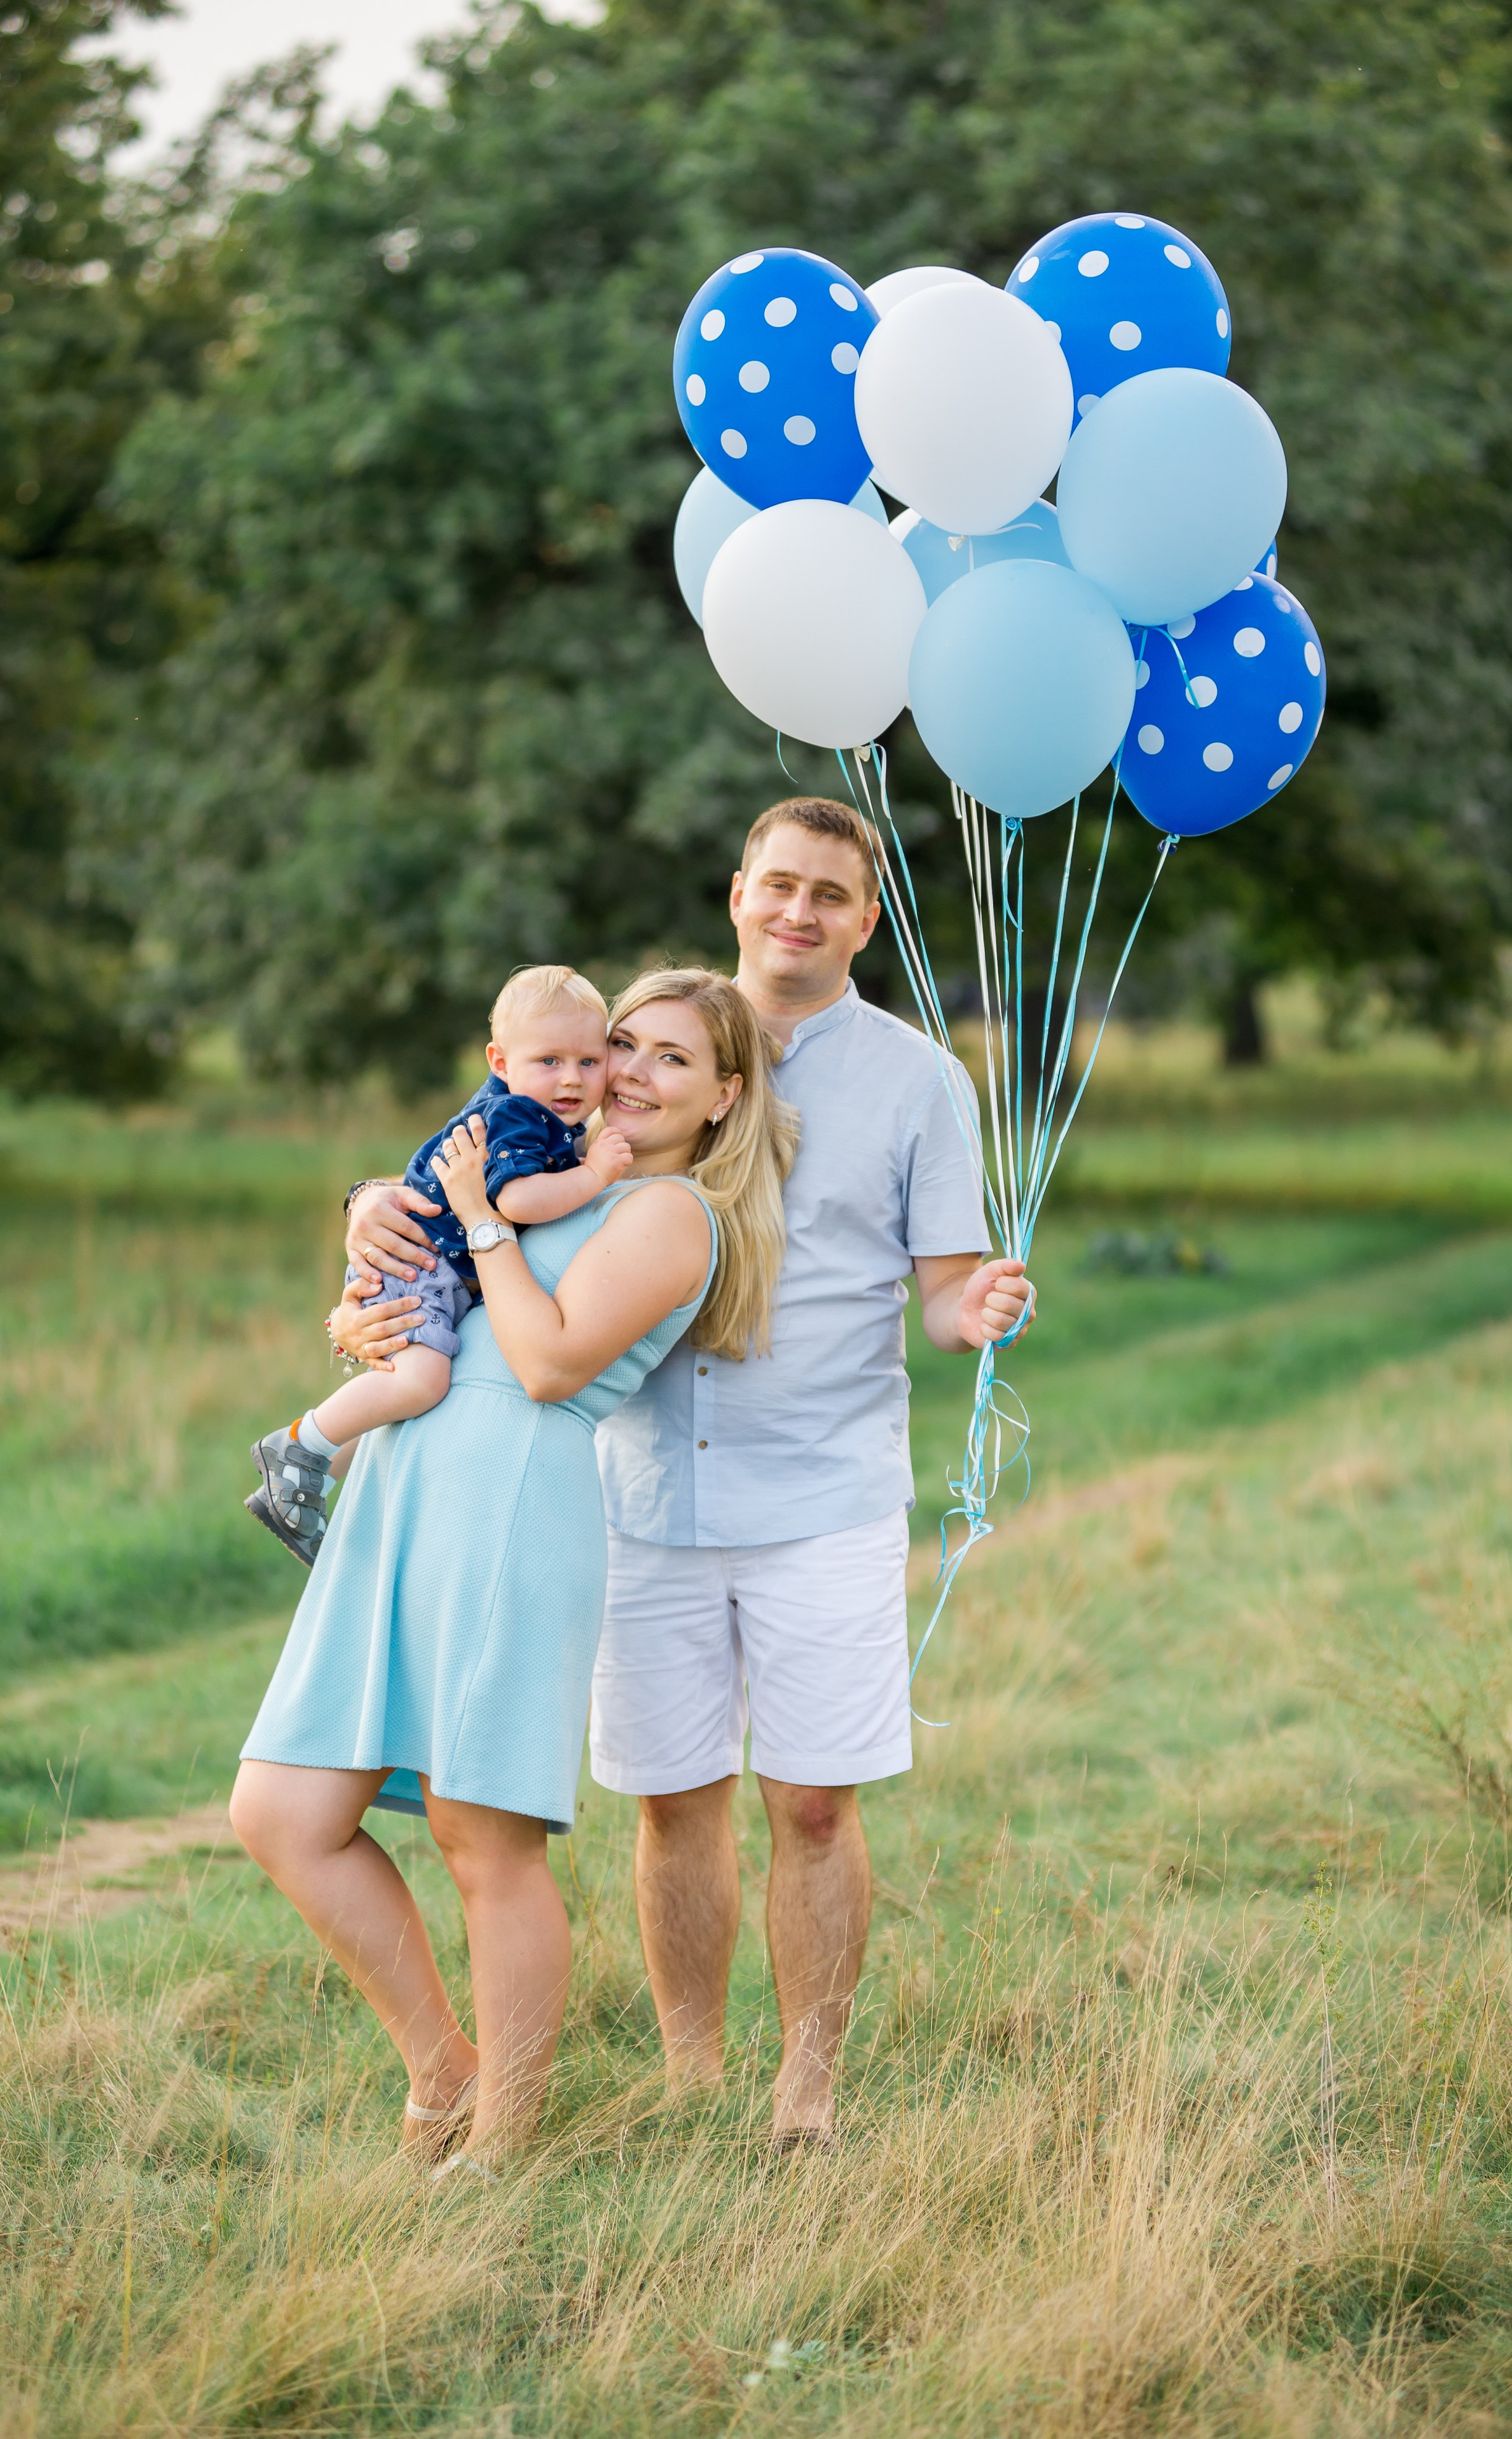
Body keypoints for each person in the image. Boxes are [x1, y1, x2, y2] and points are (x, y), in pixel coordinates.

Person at [347, 797, 1034, 2145]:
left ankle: (807, 2090)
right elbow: (500, 1136)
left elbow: (941, 1297)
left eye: (828, 895)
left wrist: (980, 1307)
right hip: (641, 1487)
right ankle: (691, 2077)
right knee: (670, 1804)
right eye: (778, 885)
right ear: (737, 894)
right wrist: (379, 1200)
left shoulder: (918, 1083)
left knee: (817, 1807)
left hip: (823, 1490)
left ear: (866, 918)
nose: (798, 912)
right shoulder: (644, 1046)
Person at [230, 970, 797, 2169]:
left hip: (511, 1499)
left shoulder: (671, 1214)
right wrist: (367, 1262)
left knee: (479, 1838)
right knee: (280, 1812)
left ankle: (499, 2145)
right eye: (624, 1046)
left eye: (671, 1061)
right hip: (402, 1487)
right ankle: (444, 2069)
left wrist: (480, 1218)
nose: (632, 1074)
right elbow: (415, 1291)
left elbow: (541, 1363)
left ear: (723, 1099)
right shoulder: (541, 1166)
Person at [245, 965, 633, 1567]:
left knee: (412, 1392)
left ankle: (309, 1475)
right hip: (420, 1264)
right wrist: (596, 1172)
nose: (572, 1079)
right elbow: (515, 1201)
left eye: (589, 1061)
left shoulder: (548, 1119)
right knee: (422, 1382)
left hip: (438, 1270)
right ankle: (297, 1447)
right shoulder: (514, 1118)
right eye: (550, 1061)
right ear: (499, 1062)